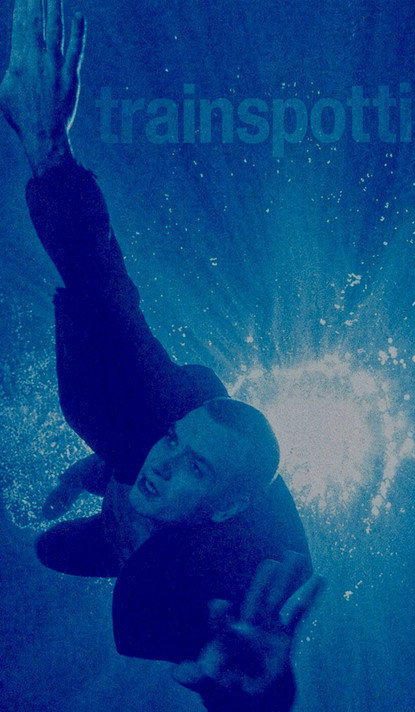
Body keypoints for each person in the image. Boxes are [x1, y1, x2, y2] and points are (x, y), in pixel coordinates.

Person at [0, 1, 322, 710]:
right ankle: (98, 476)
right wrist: (48, 153)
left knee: (49, 549)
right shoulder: (154, 414)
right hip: (125, 477)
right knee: (108, 433)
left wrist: (259, 692)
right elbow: (105, 292)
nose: (164, 462)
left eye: (196, 468)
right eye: (177, 442)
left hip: (139, 556)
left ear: (230, 507)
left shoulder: (248, 574)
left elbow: (243, 668)